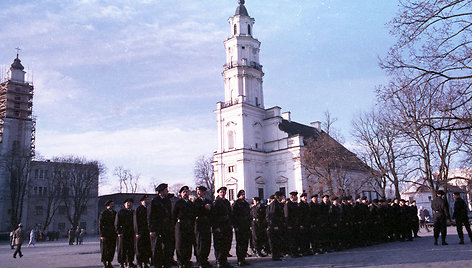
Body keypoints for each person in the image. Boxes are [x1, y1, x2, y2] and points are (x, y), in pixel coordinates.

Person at [148, 183, 174, 268]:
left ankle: (167, 263)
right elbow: (150, 217)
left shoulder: (167, 201)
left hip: (167, 228)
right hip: (158, 228)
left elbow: (170, 215)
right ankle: (157, 264)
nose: (167, 191)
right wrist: (152, 230)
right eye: (166, 190)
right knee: (157, 248)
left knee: (167, 247)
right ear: (161, 191)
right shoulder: (154, 201)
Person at [173, 186, 196, 268]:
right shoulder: (178, 203)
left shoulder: (190, 203)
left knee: (188, 244)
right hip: (180, 225)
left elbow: (193, 215)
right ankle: (180, 262)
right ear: (180, 194)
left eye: (187, 192)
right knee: (180, 244)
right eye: (184, 192)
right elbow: (173, 215)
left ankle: (187, 260)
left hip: (189, 225)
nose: (185, 193)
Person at [211, 187, 233, 268]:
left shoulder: (226, 202)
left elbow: (230, 213)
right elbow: (214, 216)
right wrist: (216, 227)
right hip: (220, 225)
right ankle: (219, 261)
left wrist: (231, 224)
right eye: (221, 192)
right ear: (218, 193)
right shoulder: (216, 202)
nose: (222, 193)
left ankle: (224, 260)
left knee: (226, 244)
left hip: (227, 226)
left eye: (224, 192)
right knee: (219, 245)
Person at [193, 186, 213, 268]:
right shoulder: (196, 201)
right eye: (197, 191)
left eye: (200, 191)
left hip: (207, 224)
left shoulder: (208, 201)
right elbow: (195, 211)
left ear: (204, 192)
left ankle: (205, 259)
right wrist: (204, 207)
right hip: (199, 224)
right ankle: (200, 261)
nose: (198, 193)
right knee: (200, 243)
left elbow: (212, 213)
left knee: (207, 243)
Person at [116, 198, 136, 268]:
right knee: (122, 249)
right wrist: (119, 232)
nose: (129, 204)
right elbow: (117, 223)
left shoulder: (134, 212)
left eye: (130, 203)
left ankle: (130, 262)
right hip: (123, 234)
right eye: (127, 203)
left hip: (131, 233)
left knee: (131, 249)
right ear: (124, 205)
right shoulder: (120, 212)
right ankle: (122, 263)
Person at [232, 190, 251, 266]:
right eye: (242, 194)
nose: (243, 195)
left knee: (245, 243)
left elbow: (249, 215)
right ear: (239, 195)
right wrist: (235, 226)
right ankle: (239, 259)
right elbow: (234, 216)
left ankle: (243, 258)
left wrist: (250, 225)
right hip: (239, 226)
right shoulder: (236, 204)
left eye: (244, 194)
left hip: (246, 226)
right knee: (240, 243)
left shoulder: (246, 204)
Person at [266, 191, 285, 261]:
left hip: (277, 225)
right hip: (274, 226)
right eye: (282, 196)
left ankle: (277, 254)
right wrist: (274, 225)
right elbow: (272, 215)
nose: (283, 198)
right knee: (274, 241)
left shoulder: (277, 203)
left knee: (277, 241)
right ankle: (275, 256)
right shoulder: (274, 204)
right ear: (279, 197)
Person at [134, 195, 151, 268]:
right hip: (141, 232)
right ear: (141, 201)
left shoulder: (149, 209)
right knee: (140, 248)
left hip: (148, 231)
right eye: (145, 200)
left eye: (147, 200)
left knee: (147, 247)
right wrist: (137, 232)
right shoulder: (138, 209)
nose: (146, 201)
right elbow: (136, 222)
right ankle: (139, 262)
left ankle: (146, 261)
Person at [99, 199, 117, 268]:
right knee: (105, 249)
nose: (112, 205)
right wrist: (102, 235)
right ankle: (105, 262)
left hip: (113, 234)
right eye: (111, 204)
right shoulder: (103, 213)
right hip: (105, 234)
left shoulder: (115, 213)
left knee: (111, 249)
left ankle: (109, 262)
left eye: (113, 204)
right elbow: (100, 225)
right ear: (107, 206)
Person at [284, 191, 300, 258]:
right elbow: (287, 215)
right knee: (291, 239)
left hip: (295, 224)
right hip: (291, 225)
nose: (297, 197)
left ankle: (296, 252)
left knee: (296, 238)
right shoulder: (288, 204)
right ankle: (292, 252)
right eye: (296, 196)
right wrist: (288, 225)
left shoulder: (295, 204)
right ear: (292, 196)